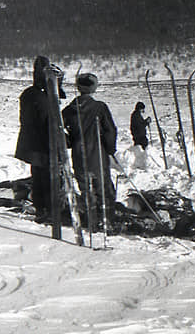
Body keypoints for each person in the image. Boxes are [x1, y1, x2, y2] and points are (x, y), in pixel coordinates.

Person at [62, 73, 118, 225]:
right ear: (93, 88)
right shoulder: (99, 107)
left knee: (85, 188)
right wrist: (110, 149)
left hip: (79, 155)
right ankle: (107, 221)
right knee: (103, 188)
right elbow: (110, 131)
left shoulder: (69, 110)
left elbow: (59, 130)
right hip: (97, 154)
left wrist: (70, 141)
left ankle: (91, 220)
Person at [14, 56, 65, 222]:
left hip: (33, 145)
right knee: (47, 178)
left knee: (38, 176)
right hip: (43, 145)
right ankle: (49, 211)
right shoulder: (42, 98)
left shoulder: (29, 94)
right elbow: (49, 122)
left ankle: (42, 209)